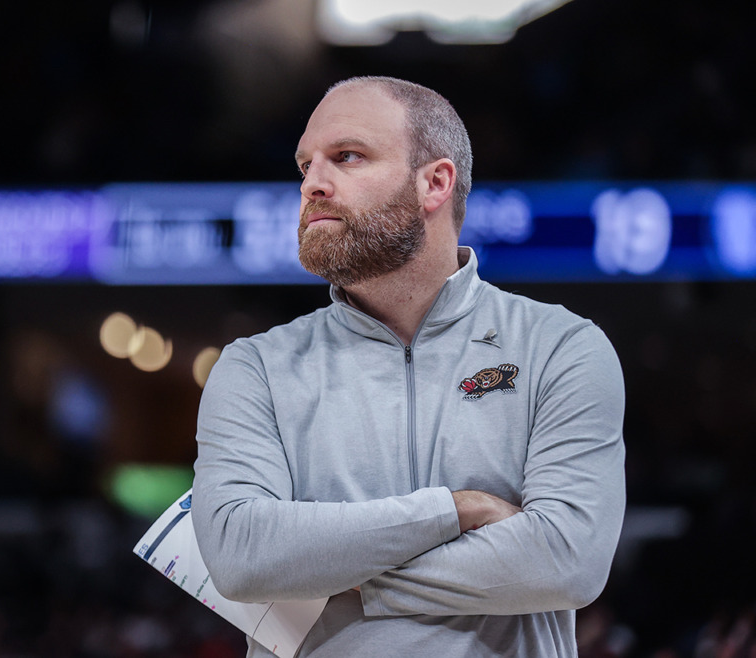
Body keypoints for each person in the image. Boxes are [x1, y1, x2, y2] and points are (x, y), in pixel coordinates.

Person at [191, 76, 626, 657]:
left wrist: (331, 576)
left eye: (347, 157)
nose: (313, 184)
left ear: (435, 183)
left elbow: (567, 561)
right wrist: (455, 510)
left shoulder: (561, 346)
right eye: (305, 166)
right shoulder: (255, 368)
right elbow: (241, 558)